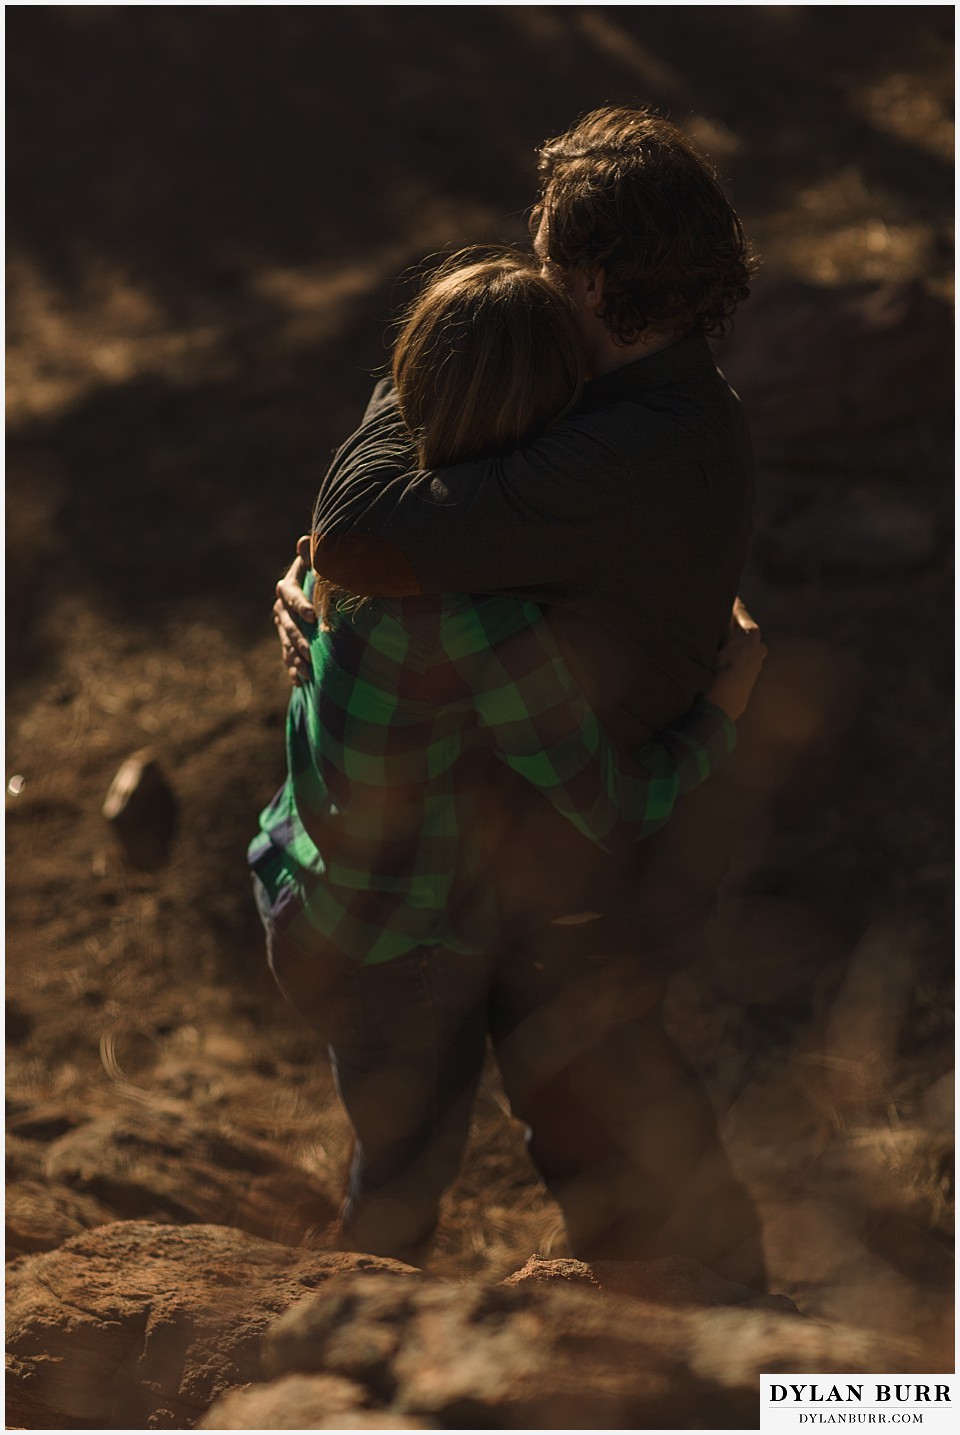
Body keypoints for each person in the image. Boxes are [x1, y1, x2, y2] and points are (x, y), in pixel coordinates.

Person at [273, 106, 768, 1286]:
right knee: (578, 1139)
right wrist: (313, 577)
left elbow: (356, 528)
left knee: (628, 1172)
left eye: (543, 262)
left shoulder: (619, 449)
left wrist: (442, 364)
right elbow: (354, 549)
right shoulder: (623, 406)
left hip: (581, 864)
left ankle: (777, 1386)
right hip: (505, 849)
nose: (530, 280)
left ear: (593, 282)